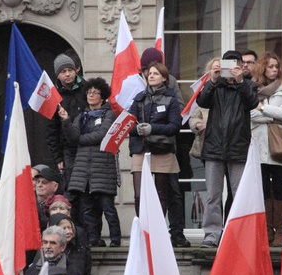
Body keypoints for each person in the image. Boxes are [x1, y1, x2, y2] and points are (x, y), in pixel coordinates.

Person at [196, 50, 259, 247]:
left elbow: (253, 103)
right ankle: (212, 235)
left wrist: (240, 82)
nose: (231, 69)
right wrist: (213, 80)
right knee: (213, 196)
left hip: (238, 147)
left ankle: (239, 235)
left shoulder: (248, 85)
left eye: (235, 65)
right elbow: (202, 101)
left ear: (241, 66)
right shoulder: (216, 86)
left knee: (239, 194)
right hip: (214, 147)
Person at [128, 61, 189, 248]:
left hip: (162, 149)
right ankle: (143, 229)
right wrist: (137, 128)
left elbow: (175, 126)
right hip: (141, 149)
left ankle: (157, 231)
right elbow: (128, 124)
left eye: (155, 73)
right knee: (139, 194)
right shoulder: (139, 98)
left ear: (164, 78)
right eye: (149, 73)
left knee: (162, 194)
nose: (151, 75)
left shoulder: (170, 99)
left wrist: (152, 128)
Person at [61, 77, 122, 247]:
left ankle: (116, 240)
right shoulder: (81, 116)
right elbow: (72, 138)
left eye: (95, 92)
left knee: (107, 207)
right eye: (89, 92)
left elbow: (102, 135)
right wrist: (66, 121)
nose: (91, 95)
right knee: (87, 209)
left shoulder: (109, 114)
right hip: (84, 171)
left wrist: (80, 138)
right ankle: (93, 239)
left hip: (102, 169)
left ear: (102, 96)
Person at [251, 52, 282, 245]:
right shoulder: (253, 87)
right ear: (263, 68)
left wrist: (262, 109)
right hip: (258, 141)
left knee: (278, 186)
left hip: (277, 142)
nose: (274, 70)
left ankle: (281, 230)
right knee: (262, 188)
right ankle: (266, 229)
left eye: (277, 66)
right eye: (270, 66)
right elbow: (249, 114)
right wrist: (269, 115)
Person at [47, 53, 87, 192]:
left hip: (87, 145)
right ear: (57, 75)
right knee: (72, 189)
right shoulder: (54, 97)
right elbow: (51, 130)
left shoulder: (88, 89)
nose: (68, 74)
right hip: (68, 150)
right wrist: (58, 158)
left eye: (70, 70)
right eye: (63, 71)